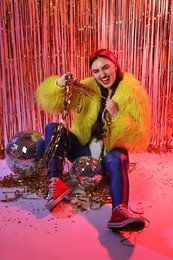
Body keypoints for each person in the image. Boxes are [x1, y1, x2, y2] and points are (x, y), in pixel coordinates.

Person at [36, 49, 151, 232]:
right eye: (96, 71)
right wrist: (59, 84)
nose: (102, 75)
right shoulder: (87, 87)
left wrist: (118, 115)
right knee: (52, 128)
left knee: (118, 158)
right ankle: (56, 183)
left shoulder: (133, 92)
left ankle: (119, 210)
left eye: (106, 68)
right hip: (82, 152)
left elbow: (141, 137)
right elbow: (56, 104)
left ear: (115, 65)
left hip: (109, 154)